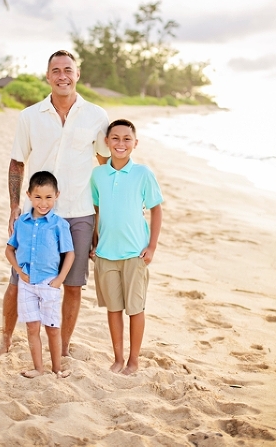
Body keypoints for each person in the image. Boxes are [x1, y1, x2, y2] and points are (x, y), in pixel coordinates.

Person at [0, 49, 110, 358]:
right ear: (48, 76)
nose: (62, 76)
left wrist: (102, 216)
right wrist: (14, 206)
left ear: (77, 74)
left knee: (72, 285)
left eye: (68, 70)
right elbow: (17, 163)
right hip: (38, 215)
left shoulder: (96, 116)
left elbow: (105, 162)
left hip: (80, 212)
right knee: (20, 280)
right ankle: (5, 340)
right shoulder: (30, 116)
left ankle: (64, 346)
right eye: (56, 70)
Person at [90, 119, 162, 375]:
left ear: (135, 143)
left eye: (126, 139)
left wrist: (152, 246)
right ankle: (118, 358)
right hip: (106, 253)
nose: (121, 143)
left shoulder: (143, 174)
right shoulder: (98, 174)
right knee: (113, 308)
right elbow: (97, 209)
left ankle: (133, 360)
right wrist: (94, 239)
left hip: (135, 253)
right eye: (115, 138)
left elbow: (156, 209)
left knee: (135, 308)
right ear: (107, 142)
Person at [6, 171, 75, 378]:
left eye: (48, 197)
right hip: (27, 283)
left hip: (49, 283)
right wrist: (19, 272)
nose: (43, 203)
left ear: (56, 196)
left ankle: (56, 369)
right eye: (38, 197)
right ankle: (38, 368)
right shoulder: (22, 223)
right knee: (32, 327)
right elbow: (9, 250)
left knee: (52, 328)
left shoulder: (59, 225)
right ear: (28, 195)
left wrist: (60, 280)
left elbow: (69, 253)